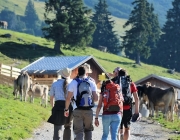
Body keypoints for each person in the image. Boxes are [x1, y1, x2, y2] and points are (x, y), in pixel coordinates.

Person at [64, 66, 98, 140]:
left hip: (77, 110)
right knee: (88, 130)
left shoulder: (74, 82)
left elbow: (68, 98)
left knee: (78, 131)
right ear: (86, 72)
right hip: (88, 111)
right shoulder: (91, 82)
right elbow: (96, 99)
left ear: (78, 72)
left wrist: (66, 109)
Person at [112, 68, 139, 140]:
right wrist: (136, 112)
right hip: (127, 108)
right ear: (126, 75)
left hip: (116, 108)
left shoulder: (114, 82)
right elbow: (136, 98)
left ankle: (118, 137)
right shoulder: (131, 83)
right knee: (127, 128)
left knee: (117, 127)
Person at [47, 67, 73, 140]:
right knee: (67, 127)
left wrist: (53, 107)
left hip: (58, 107)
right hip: (68, 107)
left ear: (61, 74)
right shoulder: (71, 84)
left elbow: (51, 98)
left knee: (57, 128)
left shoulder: (55, 84)